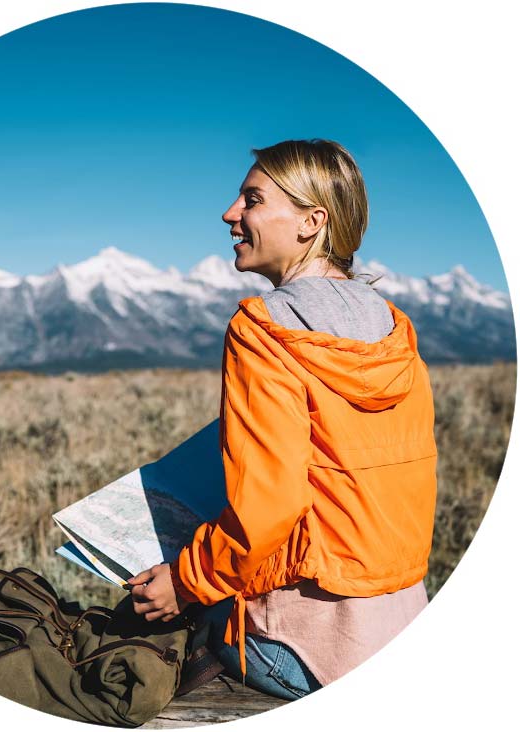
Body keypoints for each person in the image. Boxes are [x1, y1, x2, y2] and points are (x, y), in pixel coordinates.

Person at [127, 139, 437, 700]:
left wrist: (185, 582)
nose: (230, 214)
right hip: (401, 626)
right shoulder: (396, 329)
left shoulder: (263, 328)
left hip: (302, 648)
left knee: (147, 616)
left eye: (251, 199)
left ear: (311, 222)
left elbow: (269, 508)